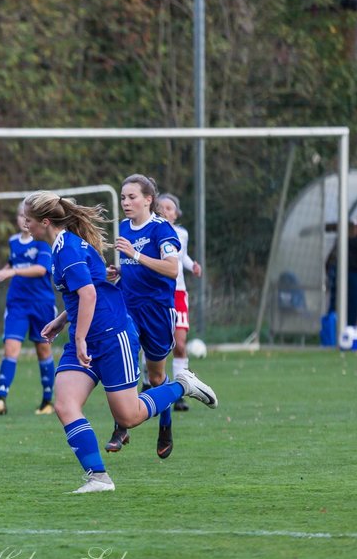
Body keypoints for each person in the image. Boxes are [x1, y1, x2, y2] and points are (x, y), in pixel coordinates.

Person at [25, 191, 217, 494]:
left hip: (112, 336)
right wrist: (62, 321)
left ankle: (183, 385)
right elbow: (88, 290)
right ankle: (98, 478)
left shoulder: (67, 249)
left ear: (45, 222)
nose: (25, 225)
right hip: (86, 338)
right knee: (65, 404)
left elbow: (89, 295)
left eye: (28, 220)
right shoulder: (63, 246)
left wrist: (77, 335)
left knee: (129, 416)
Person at [105, 174, 182, 459]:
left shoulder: (162, 230)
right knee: (126, 365)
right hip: (127, 308)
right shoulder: (124, 227)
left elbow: (172, 269)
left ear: (148, 199)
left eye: (131, 197)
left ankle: (166, 425)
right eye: (123, 197)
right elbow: (130, 267)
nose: (126, 202)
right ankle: (120, 427)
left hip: (158, 312)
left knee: (157, 376)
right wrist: (119, 272)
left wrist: (135, 258)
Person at [0, 201, 58, 416]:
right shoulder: (14, 242)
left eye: (29, 217)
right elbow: (11, 264)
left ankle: (47, 401)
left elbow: (41, 269)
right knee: (10, 349)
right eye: (21, 216)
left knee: (43, 350)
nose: (24, 221)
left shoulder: (42, 242)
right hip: (17, 304)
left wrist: (12, 272)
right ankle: (0, 398)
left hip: (41, 304)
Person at [155, 194, 203, 411]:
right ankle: (151, 382)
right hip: (156, 292)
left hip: (178, 293)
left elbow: (181, 257)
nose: (166, 211)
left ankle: (180, 391)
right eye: (162, 207)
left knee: (180, 344)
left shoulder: (181, 234)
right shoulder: (152, 231)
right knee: (155, 345)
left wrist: (192, 265)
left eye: (170, 208)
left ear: (176, 213)